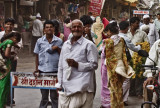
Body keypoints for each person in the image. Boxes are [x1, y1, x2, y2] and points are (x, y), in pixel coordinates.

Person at [56, 19, 98, 108]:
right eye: (74, 27)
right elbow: (61, 65)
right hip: (66, 87)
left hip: (82, 87)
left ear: (83, 29)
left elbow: (94, 64)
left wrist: (77, 65)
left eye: (79, 27)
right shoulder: (66, 44)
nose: (76, 29)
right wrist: (59, 83)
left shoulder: (89, 45)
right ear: (70, 29)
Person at [101, 22, 134, 108]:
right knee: (119, 88)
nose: (106, 34)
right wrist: (125, 66)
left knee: (109, 87)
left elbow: (107, 57)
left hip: (109, 67)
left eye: (107, 32)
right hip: (120, 67)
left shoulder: (108, 41)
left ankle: (109, 105)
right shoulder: (121, 39)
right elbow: (124, 55)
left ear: (109, 31)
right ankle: (119, 104)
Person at [33, 20, 63, 108]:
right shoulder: (39, 41)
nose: (49, 29)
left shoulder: (59, 41)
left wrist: (57, 48)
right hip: (43, 70)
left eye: (51, 27)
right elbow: (37, 55)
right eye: (47, 27)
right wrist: (37, 68)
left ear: (54, 29)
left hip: (54, 71)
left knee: (54, 95)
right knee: (44, 95)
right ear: (44, 30)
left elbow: (63, 55)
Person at [0, 18, 23, 106]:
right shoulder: (1, 34)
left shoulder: (16, 35)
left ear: (13, 26)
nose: (9, 26)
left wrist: (12, 43)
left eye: (11, 24)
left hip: (12, 60)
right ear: (4, 25)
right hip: (2, 60)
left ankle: (10, 99)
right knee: (3, 81)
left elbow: (19, 46)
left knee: (10, 80)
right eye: (7, 24)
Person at [127, 17, 149, 98]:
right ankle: (131, 91)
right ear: (132, 24)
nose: (138, 24)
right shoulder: (126, 33)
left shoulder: (142, 33)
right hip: (128, 57)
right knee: (130, 75)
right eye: (137, 23)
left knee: (139, 76)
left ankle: (139, 92)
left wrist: (141, 47)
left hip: (138, 58)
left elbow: (147, 44)